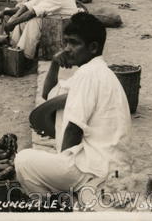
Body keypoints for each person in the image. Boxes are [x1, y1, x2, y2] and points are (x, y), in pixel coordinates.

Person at [15, 12, 131, 198]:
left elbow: (73, 129)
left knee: (23, 161)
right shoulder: (96, 71)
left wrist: (62, 165)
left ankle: (55, 204)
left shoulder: (88, 74)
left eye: (74, 43)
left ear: (93, 48)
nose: (67, 49)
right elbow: (48, 95)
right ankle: (60, 197)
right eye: (66, 42)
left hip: (95, 167)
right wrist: (54, 63)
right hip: (107, 164)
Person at [4, 0, 79, 68]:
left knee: (33, 22)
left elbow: (32, 12)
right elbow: (29, 4)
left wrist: (12, 23)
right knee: (23, 21)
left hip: (66, 23)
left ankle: (25, 57)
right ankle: (14, 49)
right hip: (54, 18)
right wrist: (15, 17)